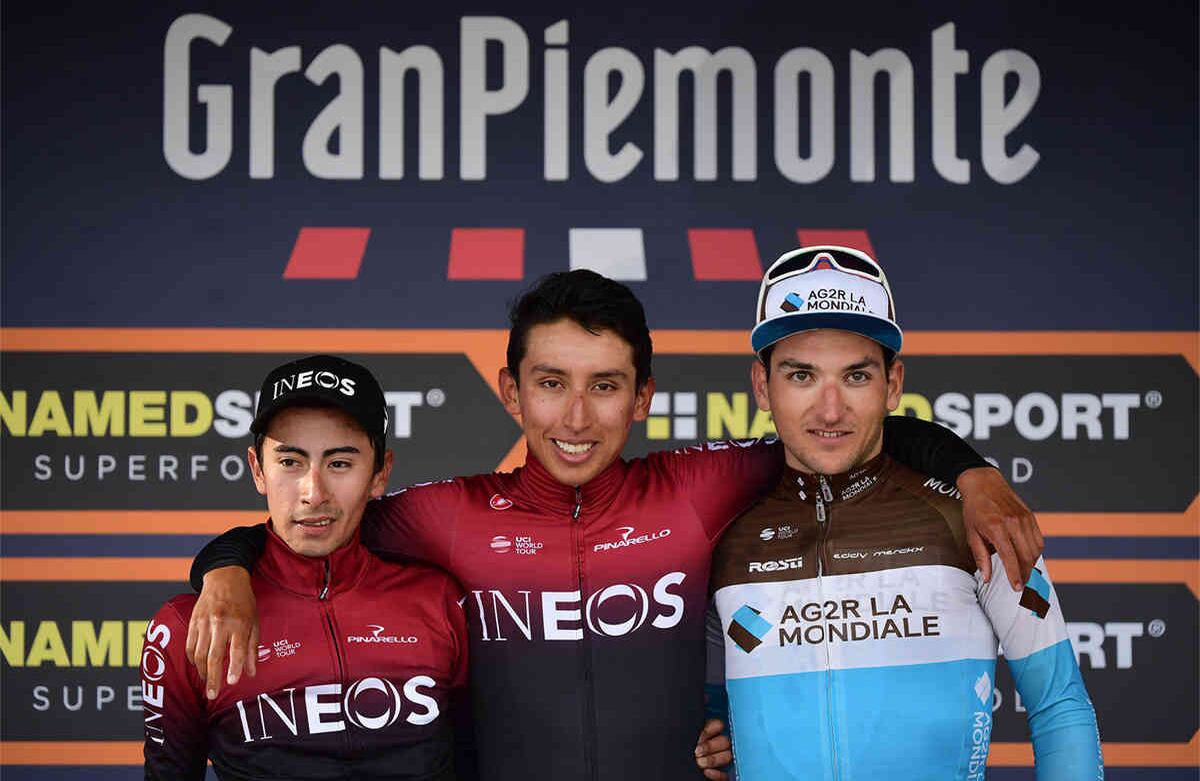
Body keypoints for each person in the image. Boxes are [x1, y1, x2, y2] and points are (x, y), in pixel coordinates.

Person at [186, 270, 1044, 781]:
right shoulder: (444, 515)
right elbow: (312, 524)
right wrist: (222, 568)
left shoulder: (700, 485)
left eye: (606, 385)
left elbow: (840, 431)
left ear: (643, 398)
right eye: (551, 382)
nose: (577, 415)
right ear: (510, 391)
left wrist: (970, 473)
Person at [705, 246, 1101, 778]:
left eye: (856, 377)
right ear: (762, 385)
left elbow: (1060, 708)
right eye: (801, 376)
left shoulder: (972, 517)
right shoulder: (722, 530)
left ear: (892, 385)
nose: (830, 408)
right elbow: (705, 724)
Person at [141, 355, 467, 779]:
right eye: (290, 462)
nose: (314, 493)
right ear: (258, 469)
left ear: (380, 473)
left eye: (340, 463)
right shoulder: (191, 624)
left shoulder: (440, 600)